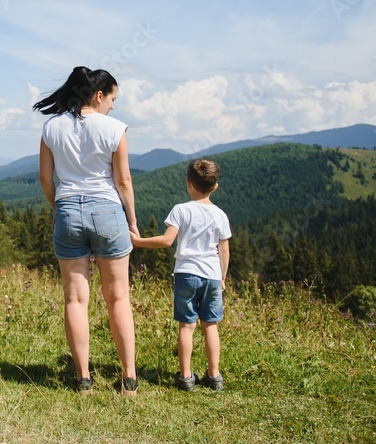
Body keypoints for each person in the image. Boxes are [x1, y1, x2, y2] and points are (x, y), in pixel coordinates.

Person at [34, 66, 139, 395]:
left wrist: (57, 209)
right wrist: (132, 221)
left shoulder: (51, 128)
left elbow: (45, 179)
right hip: (107, 211)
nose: (112, 105)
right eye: (112, 98)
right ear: (98, 95)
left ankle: (83, 378)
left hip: (68, 211)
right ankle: (129, 378)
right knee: (118, 297)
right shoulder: (114, 128)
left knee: (75, 299)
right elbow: (122, 182)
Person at [130, 158, 231, 391]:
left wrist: (138, 241)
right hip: (212, 276)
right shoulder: (221, 215)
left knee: (186, 326)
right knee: (210, 326)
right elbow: (223, 250)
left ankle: (186, 376)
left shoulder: (181, 210)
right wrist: (222, 277)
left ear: (188, 183)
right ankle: (214, 375)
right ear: (214, 186)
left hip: (186, 274)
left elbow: (166, 241)